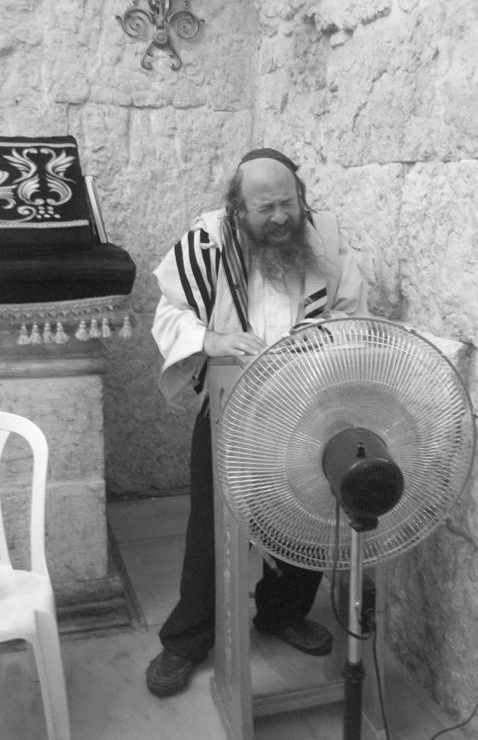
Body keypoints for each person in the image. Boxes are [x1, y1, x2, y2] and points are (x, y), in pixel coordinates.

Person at [146, 148, 368, 697]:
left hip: (303, 408)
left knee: (306, 517)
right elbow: (171, 311)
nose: (279, 218)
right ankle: (187, 639)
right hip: (231, 406)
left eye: (287, 203)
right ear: (237, 209)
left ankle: (282, 613)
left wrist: (325, 334)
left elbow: (351, 310)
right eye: (264, 207)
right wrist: (212, 339)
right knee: (211, 527)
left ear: (301, 196)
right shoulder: (207, 242)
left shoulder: (328, 241)